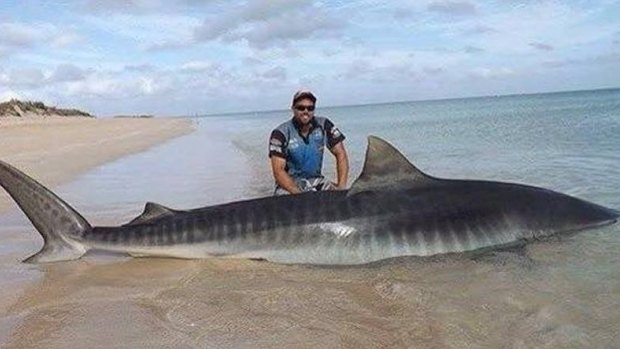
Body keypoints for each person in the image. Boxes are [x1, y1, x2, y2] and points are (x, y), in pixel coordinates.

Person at [268, 90, 349, 195]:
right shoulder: (280, 133)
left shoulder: (324, 125)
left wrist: (341, 187)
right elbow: (278, 171)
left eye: (310, 108)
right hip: (289, 185)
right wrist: (299, 195)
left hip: (316, 181)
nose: (306, 111)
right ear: (293, 109)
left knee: (340, 198)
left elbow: (340, 153)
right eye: (301, 108)